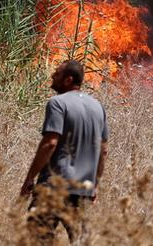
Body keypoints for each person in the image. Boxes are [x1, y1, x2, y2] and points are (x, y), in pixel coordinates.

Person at [19, 60, 108, 243]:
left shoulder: (57, 103)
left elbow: (50, 143)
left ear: (68, 80)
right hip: (82, 189)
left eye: (57, 74)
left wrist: (30, 178)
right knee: (80, 241)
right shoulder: (98, 107)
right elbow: (103, 151)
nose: (53, 76)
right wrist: (95, 184)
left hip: (54, 187)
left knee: (37, 239)